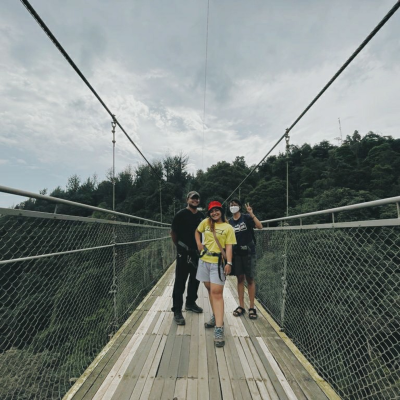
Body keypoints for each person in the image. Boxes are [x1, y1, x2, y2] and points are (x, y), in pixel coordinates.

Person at [195, 201, 236, 347]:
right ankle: (215, 315)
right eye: (212, 211)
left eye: (216, 210)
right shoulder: (206, 223)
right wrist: (199, 243)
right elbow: (197, 231)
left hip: (217, 263)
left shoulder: (228, 228)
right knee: (209, 290)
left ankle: (219, 328)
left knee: (216, 293)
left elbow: (229, 247)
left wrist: (229, 263)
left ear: (221, 211)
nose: (214, 213)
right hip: (204, 261)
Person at [170, 191, 205, 325]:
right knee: (180, 281)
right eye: (192, 198)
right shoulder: (180, 214)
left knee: (195, 279)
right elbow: (173, 232)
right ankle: (177, 310)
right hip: (183, 252)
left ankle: (190, 303)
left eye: (197, 198)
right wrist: (180, 247)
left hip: (197, 253)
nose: (195, 200)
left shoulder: (201, 216)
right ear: (187, 200)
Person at [229, 199, 263, 320]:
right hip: (237, 253)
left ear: (239, 207)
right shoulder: (230, 222)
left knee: (250, 278)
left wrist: (251, 214)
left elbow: (260, 227)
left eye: (235, 205)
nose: (233, 207)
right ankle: (241, 306)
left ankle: (252, 307)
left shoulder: (246, 218)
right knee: (239, 278)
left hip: (249, 251)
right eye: (231, 205)